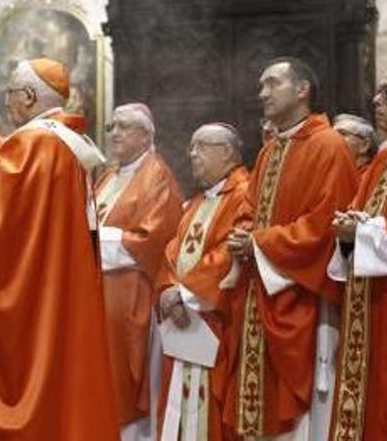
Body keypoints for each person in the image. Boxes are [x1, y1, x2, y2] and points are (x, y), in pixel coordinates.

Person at [0, 58, 119, 440]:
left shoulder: (37, 141)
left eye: (10, 93)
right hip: (58, 282)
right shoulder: (62, 143)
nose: (7, 102)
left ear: (29, 95)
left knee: (34, 383)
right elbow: (12, 168)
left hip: (35, 291)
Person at [226, 57, 357, 438]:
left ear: (302, 90)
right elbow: (248, 208)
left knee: (303, 421)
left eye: (272, 83)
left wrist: (259, 242)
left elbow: (324, 226)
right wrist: (242, 234)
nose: (261, 93)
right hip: (262, 293)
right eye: (261, 85)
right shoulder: (270, 151)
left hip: (303, 297)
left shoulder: (328, 146)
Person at [156, 123, 251, 441]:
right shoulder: (197, 202)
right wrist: (168, 289)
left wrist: (184, 294)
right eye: (191, 146)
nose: (191, 154)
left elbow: (230, 252)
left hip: (217, 323)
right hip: (183, 324)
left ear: (226, 152)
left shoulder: (244, 195)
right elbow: (172, 251)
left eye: (200, 147)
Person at [95, 102, 183, 440]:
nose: (114, 133)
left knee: (130, 383)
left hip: (133, 295)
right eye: (112, 126)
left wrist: (92, 241)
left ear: (146, 136)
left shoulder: (157, 177)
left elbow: (148, 240)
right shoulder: (109, 176)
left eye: (124, 127)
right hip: (100, 293)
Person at [325, 82, 387, 439]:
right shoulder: (380, 160)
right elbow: (362, 214)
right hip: (368, 302)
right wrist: (350, 233)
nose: (375, 101)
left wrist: (360, 234)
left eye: (386, 95)